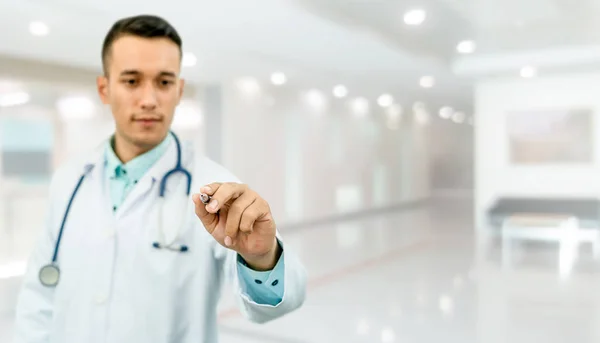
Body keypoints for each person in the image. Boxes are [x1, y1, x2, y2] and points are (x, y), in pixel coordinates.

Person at [13, 14, 307, 343]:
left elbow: (276, 304)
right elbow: (38, 297)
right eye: (131, 80)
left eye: (164, 82)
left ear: (179, 90)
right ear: (104, 88)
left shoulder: (214, 189)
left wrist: (261, 258)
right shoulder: (69, 179)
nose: (150, 99)